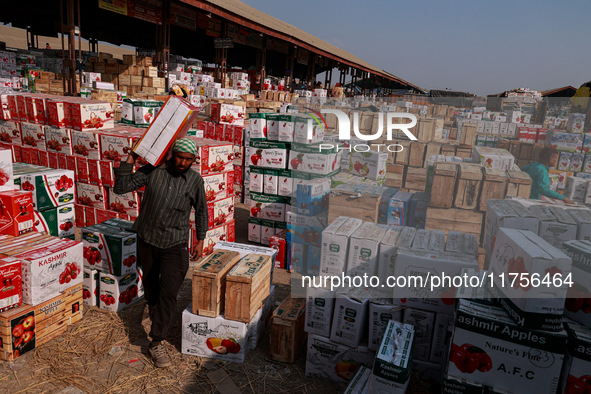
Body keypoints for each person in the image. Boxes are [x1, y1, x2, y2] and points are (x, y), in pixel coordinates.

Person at [114, 137, 208, 368]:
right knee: (152, 287)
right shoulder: (153, 170)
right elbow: (121, 187)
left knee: (169, 290)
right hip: (147, 238)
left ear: (193, 161)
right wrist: (133, 157)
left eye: (188, 159)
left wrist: (201, 239)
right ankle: (153, 307)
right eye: (180, 157)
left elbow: (202, 210)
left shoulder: (195, 180)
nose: (183, 163)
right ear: (171, 154)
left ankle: (156, 341)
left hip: (174, 243)